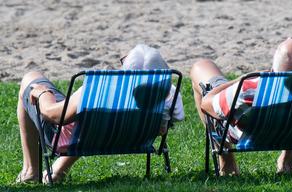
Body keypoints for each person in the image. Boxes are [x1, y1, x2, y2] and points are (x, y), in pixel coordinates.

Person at [15, 44, 184, 184]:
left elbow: (54, 116)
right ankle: (58, 170)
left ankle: (31, 171)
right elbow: (164, 128)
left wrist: (42, 93)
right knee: (94, 122)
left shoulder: (96, 92)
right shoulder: (169, 96)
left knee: (30, 79)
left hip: (74, 140)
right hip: (133, 138)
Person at [190, 37, 292, 175]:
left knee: (201, 67)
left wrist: (240, 79)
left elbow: (207, 104)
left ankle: (227, 164)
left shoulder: (248, 90)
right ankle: (287, 162)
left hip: (250, 134)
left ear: (272, 71)